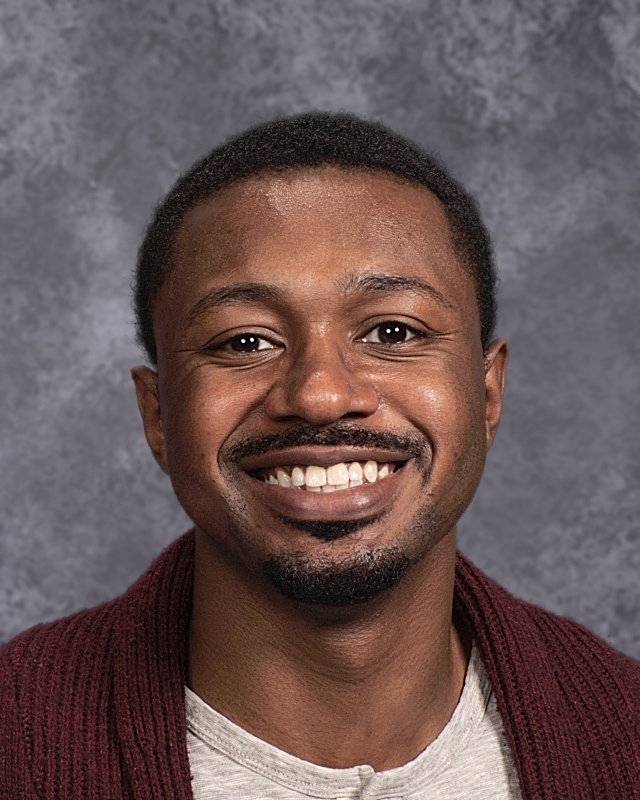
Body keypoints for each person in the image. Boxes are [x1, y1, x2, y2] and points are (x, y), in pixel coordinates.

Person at [1, 112, 637, 800]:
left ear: (487, 393)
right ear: (158, 414)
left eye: (392, 332)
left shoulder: (624, 730)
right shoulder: (17, 740)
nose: (321, 395)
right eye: (245, 341)